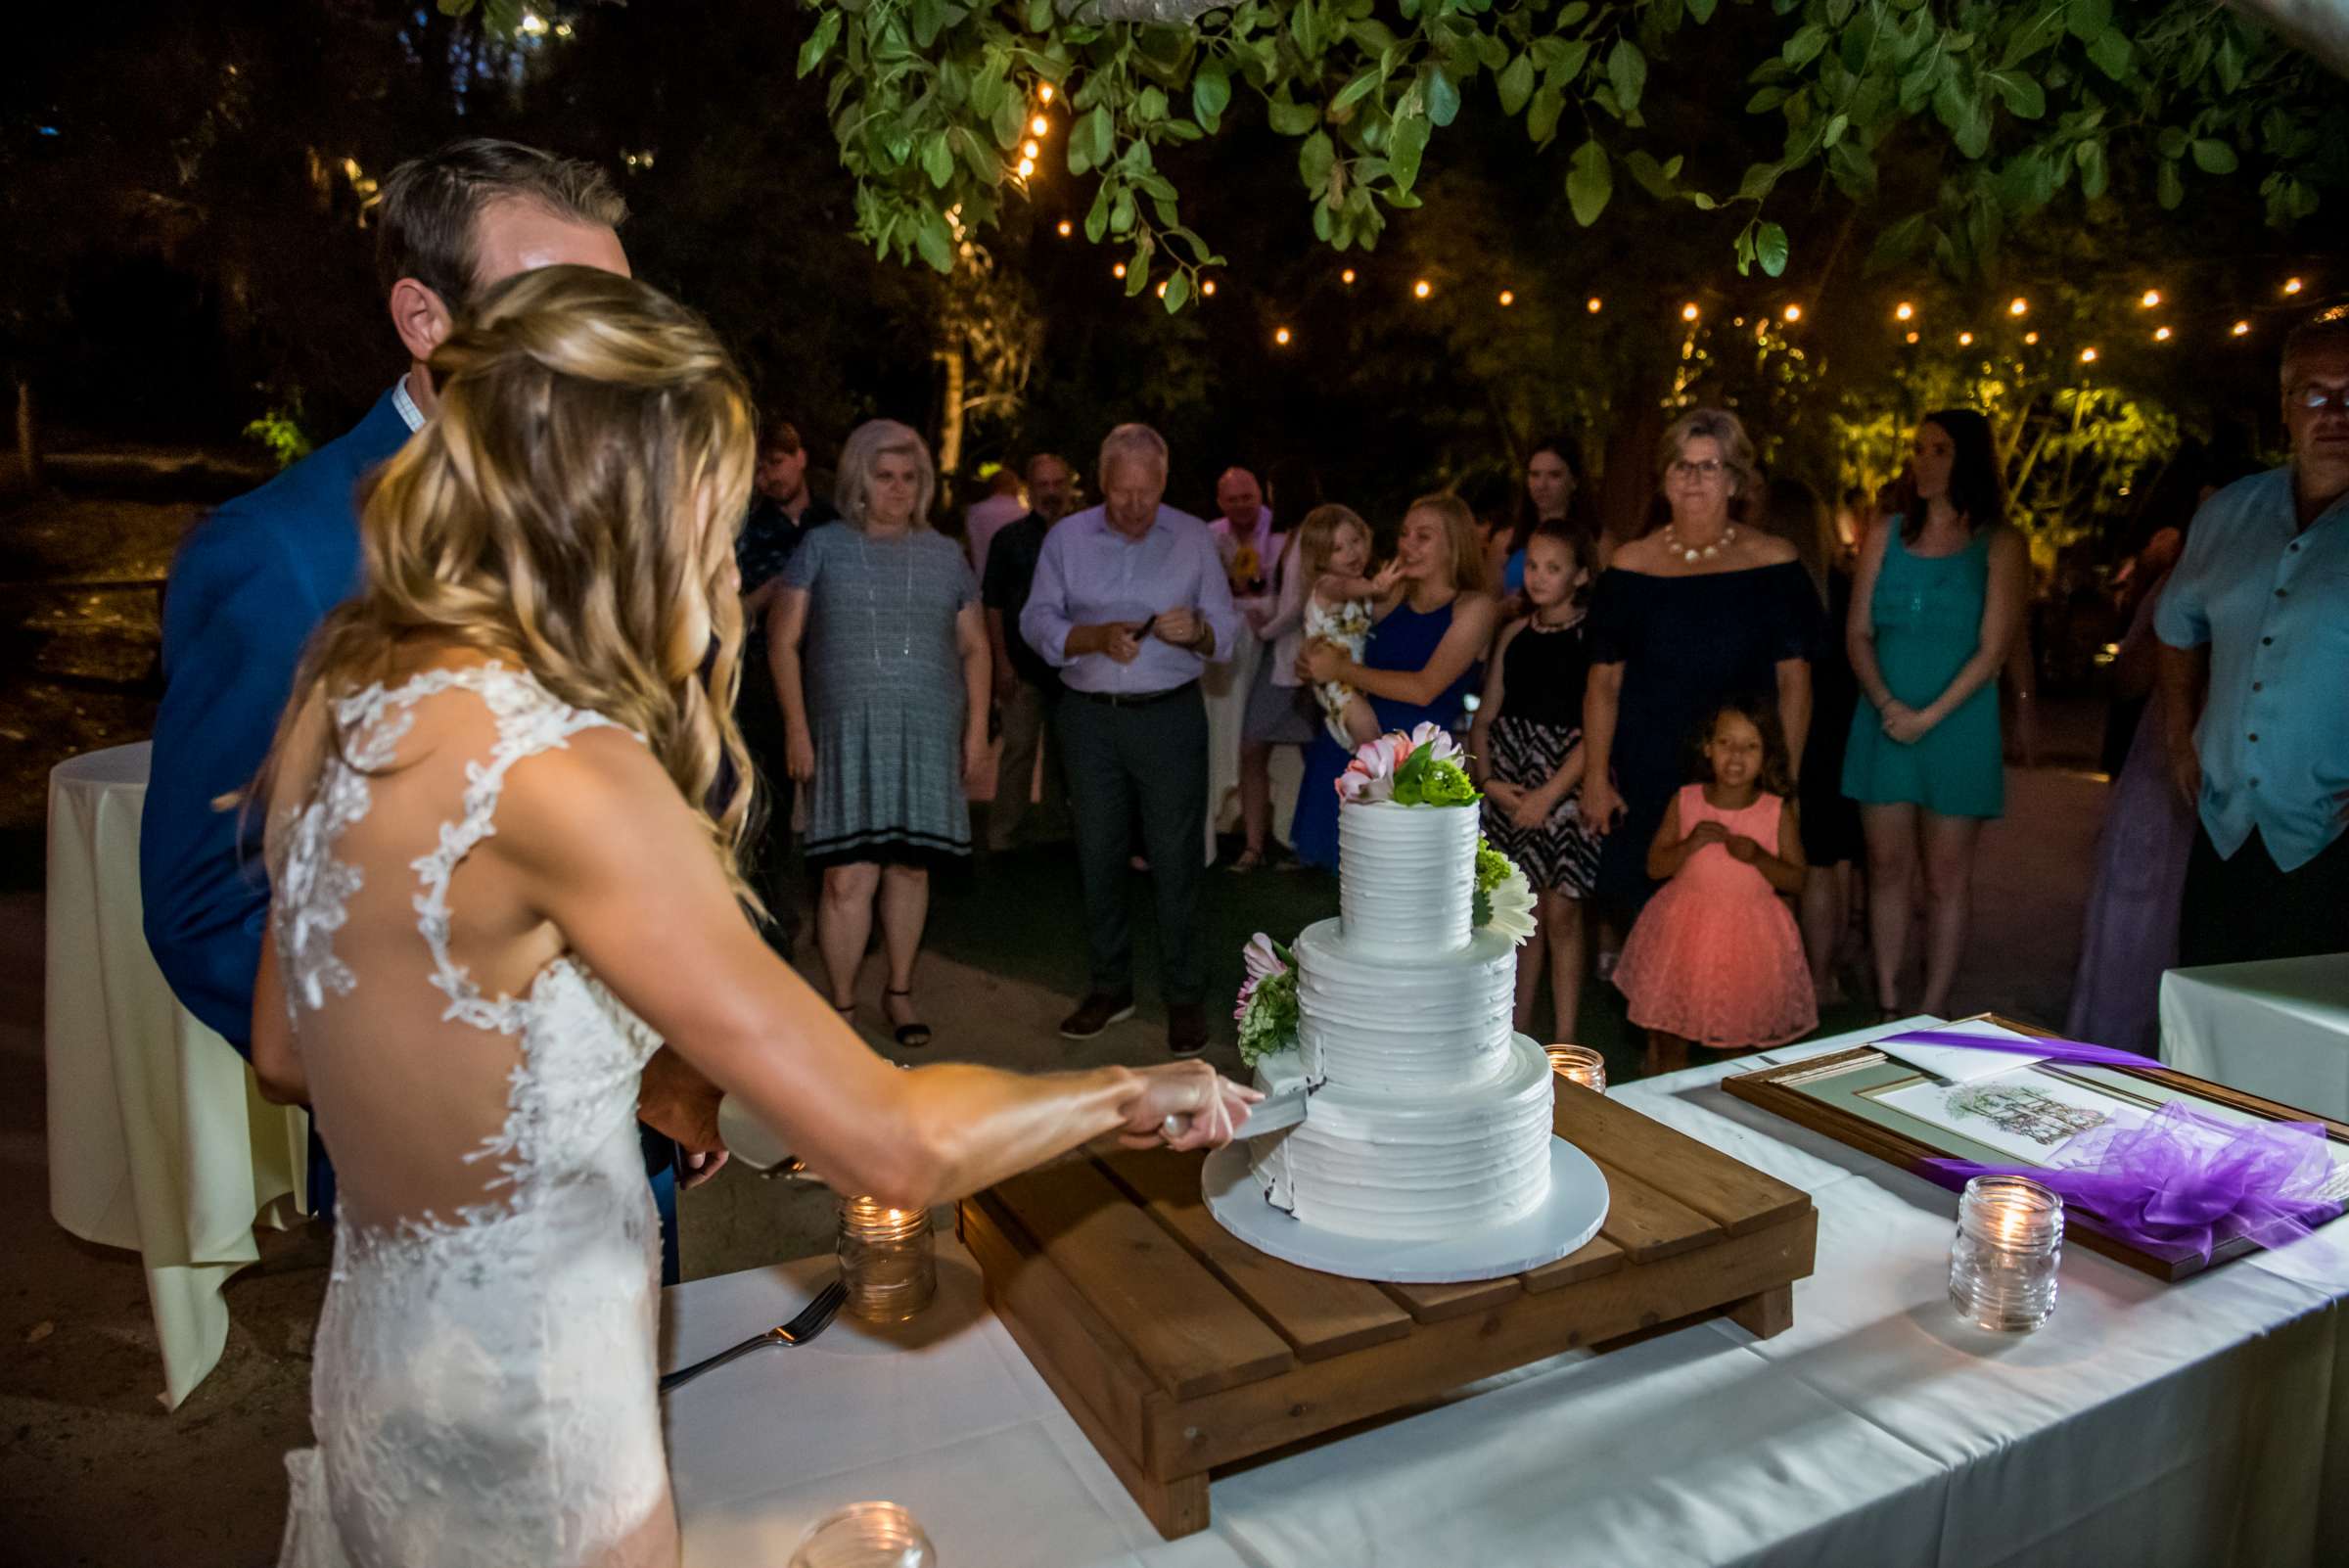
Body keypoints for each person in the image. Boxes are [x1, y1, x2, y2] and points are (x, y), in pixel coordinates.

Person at [249, 267, 1255, 1568]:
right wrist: (1137, 1083)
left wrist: (587, 1072)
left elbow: (292, 1042)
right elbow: (892, 1141)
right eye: (710, 513)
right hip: (540, 1427)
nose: (724, 561)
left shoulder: (351, 678)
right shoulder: (568, 771)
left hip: (383, 1377)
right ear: (620, 508)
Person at [131, 137, 700, 1254]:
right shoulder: (283, 555)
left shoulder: (615, 517)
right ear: (425, 320)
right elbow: (208, 908)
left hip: (638, 1153)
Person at [1020, 423, 1241, 1054]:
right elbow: (1036, 617)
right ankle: (1110, 986)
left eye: (1147, 493)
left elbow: (1226, 630)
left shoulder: (1194, 537)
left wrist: (1196, 630)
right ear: (1103, 482)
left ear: (1164, 483)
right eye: (1123, 494)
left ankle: (1183, 996)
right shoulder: (1067, 537)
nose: (1136, 506)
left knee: (1176, 861)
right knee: (1097, 853)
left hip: (1170, 715)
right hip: (1088, 716)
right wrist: (1091, 637)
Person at [772, 419, 986, 1050]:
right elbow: (782, 642)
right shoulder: (822, 547)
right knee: (846, 878)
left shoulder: (946, 554)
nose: (897, 489)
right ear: (859, 480)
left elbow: (975, 648)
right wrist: (796, 728)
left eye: (909, 477)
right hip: (843, 736)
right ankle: (841, 1008)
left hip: (926, 733)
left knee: (911, 870)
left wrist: (975, 729)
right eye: (884, 476)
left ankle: (898, 991)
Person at [2157, 306, 2349, 967]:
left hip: (2333, 833)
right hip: (2226, 823)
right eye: (2315, 394)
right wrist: (2180, 737)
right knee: (2212, 1015)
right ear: (2286, 406)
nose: (2336, 411)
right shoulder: (2229, 512)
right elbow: (2174, 626)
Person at [1581, 409, 1820, 921]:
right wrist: (1596, 778)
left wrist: (1786, 784)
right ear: (1664, 477)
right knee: (1651, 913)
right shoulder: (1629, 565)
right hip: (1649, 765)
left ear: (1734, 480)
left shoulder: (1774, 562)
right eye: (1682, 467)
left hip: (1739, 768)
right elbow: (1603, 683)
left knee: (1737, 911)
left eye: (1709, 467)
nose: (1693, 479)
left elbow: (1795, 684)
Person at [1842, 410, 2027, 1020]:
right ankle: (1890, 1004)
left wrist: (1929, 716)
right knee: (1886, 868)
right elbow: (1858, 631)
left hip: (1958, 725)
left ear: (1968, 458)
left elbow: (1994, 648)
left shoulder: (1999, 542)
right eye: (1918, 448)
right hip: (1885, 718)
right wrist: (1889, 704)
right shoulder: (1886, 531)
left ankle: (1933, 1006)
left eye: (1940, 449)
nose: (1923, 460)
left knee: (1946, 877)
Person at [1292, 493, 1498, 868]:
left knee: (1405, 895)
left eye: (1424, 536)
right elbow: (1337, 636)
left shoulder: (1474, 608)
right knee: (1347, 899)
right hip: (1351, 749)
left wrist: (1337, 669)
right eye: (1405, 534)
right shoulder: (1390, 595)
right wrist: (1311, 658)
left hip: (1414, 764)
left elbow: (1425, 689)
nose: (1408, 545)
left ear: (1455, 543)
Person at [1613, 700, 1816, 1074]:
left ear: (1767, 754)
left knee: (1737, 1047)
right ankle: (1662, 1107)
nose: (1736, 755)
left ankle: (1724, 1120)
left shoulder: (1774, 810)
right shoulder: (1686, 800)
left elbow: (1797, 879)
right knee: (1671, 1034)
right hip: (1684, 936)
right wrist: (1689, 845)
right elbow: (1655, 867)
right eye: (1726, 743)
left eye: (1750, 746)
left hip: (1748, 942)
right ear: (1708, 748)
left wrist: (1758, 857)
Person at [1470, 522, 1604, 1038]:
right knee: (1517, 919)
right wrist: (1488, 782)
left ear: (1580, 575)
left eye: (1554, 568)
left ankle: (1566, 1042)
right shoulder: (1514, 634)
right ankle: (1516, 1033)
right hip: (1511, 783)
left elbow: (1599, 727)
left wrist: (1551, 794)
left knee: (1563, 914)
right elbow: (1485, 718)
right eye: (1532, 566)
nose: (1539, 577)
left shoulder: (1593, 638)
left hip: (1566, 783)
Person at [736, 416, 840, 951]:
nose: (767, 478)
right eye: (757, 470)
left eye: (774, 464)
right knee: (768, 802)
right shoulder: (746, 529)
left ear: (799, 458)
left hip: (832, 676)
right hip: (761, 682)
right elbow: (727, 613)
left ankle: (843, 918)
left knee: (836, 801)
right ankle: (772, 919)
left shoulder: (837, 523)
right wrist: (772, 592)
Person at [1769, 476, 1865, 1008]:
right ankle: (1819, 977)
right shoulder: (1845, 587)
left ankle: (1790, 977)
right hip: (1835, 737)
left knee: (1791, 855)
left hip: (1789, 735)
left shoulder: (1775, 588)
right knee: (1822, 860)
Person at [981, 451, 1078, 851]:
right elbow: (994, 604)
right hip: (1022, 665)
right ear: (1029, 489)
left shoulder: (1085, 538)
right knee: (1018, 749)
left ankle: (1058, 830)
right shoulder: (1009, 540)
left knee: (1066, 753)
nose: (1051, 493)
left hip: (1073, 667)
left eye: (1058, 484)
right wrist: (1001, 662)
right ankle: (1003, 832)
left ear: (1069, 487)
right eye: (1044, 485)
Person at [1206, 466, 1283, 855]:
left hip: (1271, 649)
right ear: (1221, 502)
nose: (1241, 506)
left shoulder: (1281, 534)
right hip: (1226, 650)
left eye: (1247, 498)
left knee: (1256, 741)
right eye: (1232, 500)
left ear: (1260, 497)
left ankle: (1264, 837)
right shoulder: (1210, 535)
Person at [1298, 508, 1401, 745]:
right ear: (1320, 558)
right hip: (1334, 679)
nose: (1351, 552)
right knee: (1370, 738)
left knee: (1375, 733)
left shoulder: (1361, 585)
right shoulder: (1327, 584)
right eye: (1338, 549)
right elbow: (1345, 589)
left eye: (1355, 541)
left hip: (1351, 672)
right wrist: (1375, 587)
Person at [1490, 435, 1592, 603]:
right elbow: (1488, 606)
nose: (1541, 485)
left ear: (1574, 481)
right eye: (1534, 475)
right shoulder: (1504, 540)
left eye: (1554, 475)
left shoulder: (1597, 540)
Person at [963, 463, 1030, 582]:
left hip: (982, 582)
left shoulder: (975, 512)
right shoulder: (1025, 515)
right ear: (1015, 487)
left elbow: (971, 550)